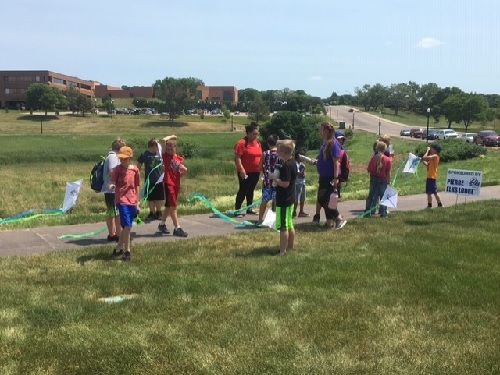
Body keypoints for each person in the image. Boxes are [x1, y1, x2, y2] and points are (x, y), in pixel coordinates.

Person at [109, 146, 140, 261]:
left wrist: (137, 203)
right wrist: (112, 185)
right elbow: (112, 180)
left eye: (125, 159)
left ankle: (118, 248)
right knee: (127, 225)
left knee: (127, 227)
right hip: (121, 200)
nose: (122, 161)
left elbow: (136, 186)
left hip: (132, 200)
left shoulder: (135, 170)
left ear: (130, 158)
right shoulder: (117, 169)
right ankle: (127, 251)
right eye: (121, 159)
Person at [315, 122, 347, 229]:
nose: (320, 131)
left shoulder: (334, 144)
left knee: (324, 199)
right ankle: (329, 222)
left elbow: (336, 162)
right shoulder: (325, 143)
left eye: (322, 129)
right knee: (324, 199)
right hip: (324, 175)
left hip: (330, 176)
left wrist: (335, 178)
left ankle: (338, 217)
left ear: (327, 131)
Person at [268, 140, 297, 256]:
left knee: (283, 227)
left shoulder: (286, 166)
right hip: (291, 198)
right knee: (289, 223)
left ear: (284, 152)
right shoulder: (293, 162)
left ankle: (282, 251)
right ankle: (290, 246)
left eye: (279, 150)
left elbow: (285, 183)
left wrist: (273, 178)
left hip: (284, 200)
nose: (277, 152)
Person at [158, 135, 189, 237]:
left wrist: (183, 171)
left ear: (176, 148)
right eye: (168, 149)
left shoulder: (179, 158)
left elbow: (180, 172)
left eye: (172, 149)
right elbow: (163, 140)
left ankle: (162, 224)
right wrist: (172, 136)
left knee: (168, 205)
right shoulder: (166, 156)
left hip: (176, 184)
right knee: (173, 206)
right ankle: (177, 227)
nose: (170, 150)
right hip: (168, 183)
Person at [234, 122, 262, 217]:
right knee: (243, 189)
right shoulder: (242, 143)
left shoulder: (257, 143)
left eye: (257, 134)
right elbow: (238, 157)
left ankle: (249, 208)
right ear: (248, 133)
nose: (256, 135)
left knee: (251, 190)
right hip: (245, 172)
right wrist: (241, 169)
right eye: (254, 134)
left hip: (255, 171)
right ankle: (237, 209)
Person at [102, 138, 126, 242]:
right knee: (114, 212)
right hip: (111, 190)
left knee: (114, 212)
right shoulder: (112, 157)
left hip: (111, 190)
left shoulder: (111, 156)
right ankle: (115, 234)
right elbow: (112, 171)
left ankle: (114, 234)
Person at [137, 138, 164, 222]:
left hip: (159, 179)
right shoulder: (145, 154)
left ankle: (159, 212)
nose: (156, 148)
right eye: (155, 146)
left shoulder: (159, 154)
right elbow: (138, 164)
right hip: (149, 180)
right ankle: (152, 212)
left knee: (159, 197)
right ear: (151, 146)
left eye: (157, 146)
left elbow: (164, 165)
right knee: (150, 198)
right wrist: (137, 173)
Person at [258, 134, 281, 223]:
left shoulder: (265, 153)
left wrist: (264, 168)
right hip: (277, 181)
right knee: (276, 201)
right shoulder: (280, 153)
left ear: (268, 143)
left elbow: (259, 167)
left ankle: (260, 220)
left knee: (264, 201)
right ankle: (274, 220)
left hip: (267, 182)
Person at [365, 141, 392, 218]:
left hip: (373, 179)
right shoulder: (388, 160)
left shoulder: (373, 158)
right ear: (385, 149)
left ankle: (367, 211)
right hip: (383, 180)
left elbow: (368, 169)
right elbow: (388, 173)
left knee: (371, 195)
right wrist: (389, 181)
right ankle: (383, 213)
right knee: (383, 196)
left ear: (376, 148)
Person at [422, 144, 443, 208]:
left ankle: (440, 204)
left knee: (434, 192)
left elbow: (425, 157)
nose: (430, 149)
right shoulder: (432, 157)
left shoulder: (435, 156)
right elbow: (426, 163)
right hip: (429, 177)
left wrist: (427, 151)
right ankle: (430, 205)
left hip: (432, 177)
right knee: (429, 192)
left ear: (435, 150)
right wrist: (423, 161)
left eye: (431, 148)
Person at [293, 151, 309, 218]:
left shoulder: (301, 164)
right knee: (296, 199)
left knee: (303, 198)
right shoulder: (295, 164)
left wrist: (304, 172)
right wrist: (304, 168)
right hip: (297, 183)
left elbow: (303, 174)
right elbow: (298, 174)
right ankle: (294, 212)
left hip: (302, 182)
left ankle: (301, 211)